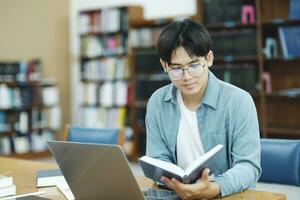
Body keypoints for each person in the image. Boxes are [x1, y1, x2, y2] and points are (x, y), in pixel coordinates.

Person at [145, 19, 261, 199]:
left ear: (209, 58)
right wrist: (176, 184)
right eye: (176, 69)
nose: (187, 77)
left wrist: (214, 188)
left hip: (226, 196)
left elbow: (248, 167)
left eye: (194, 66)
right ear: (164, 65)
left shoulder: (238, 101)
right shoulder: (157, 102)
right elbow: (157, 160)